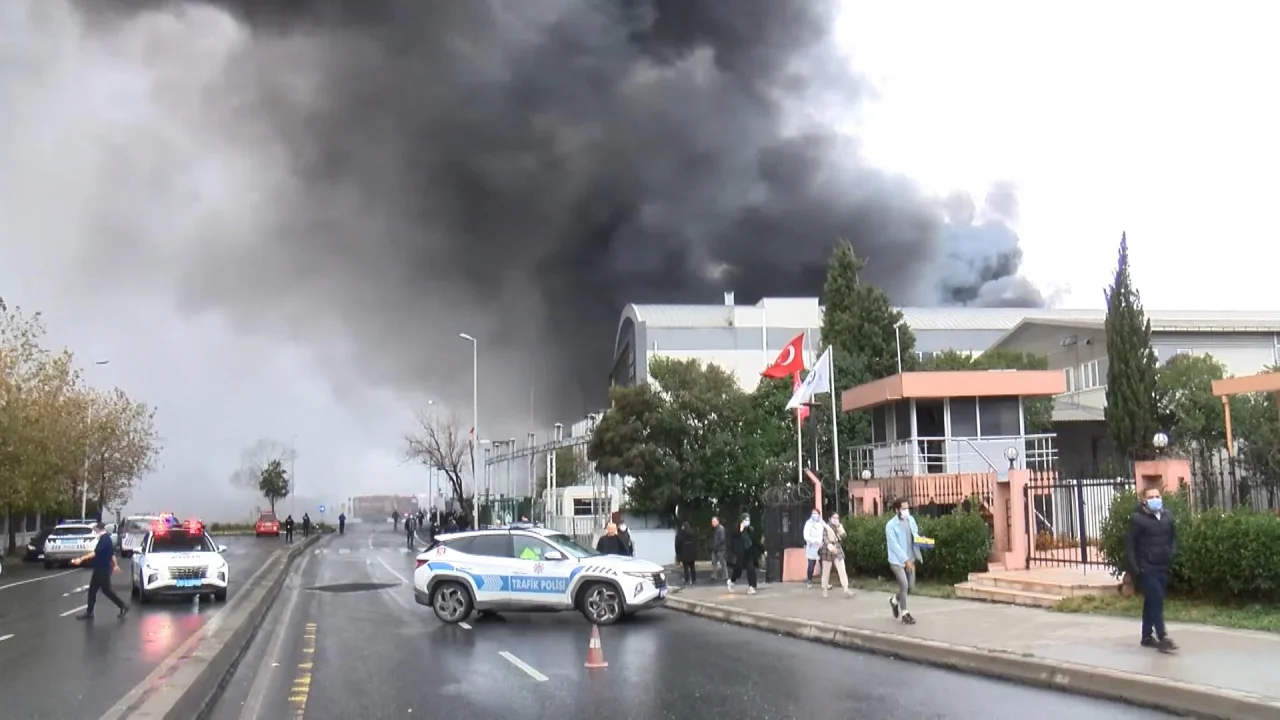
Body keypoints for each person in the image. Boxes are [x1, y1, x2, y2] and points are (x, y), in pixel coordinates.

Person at [1125, 487, 1178, 652]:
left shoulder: (1167, 516)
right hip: (1146, 567)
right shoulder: (1138, 519)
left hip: (1162, 565)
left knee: (1151, 601)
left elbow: (1173, 537)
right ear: (1144, 501)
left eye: (1157, 496)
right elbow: (1130, 544)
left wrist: (1171, 552)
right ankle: (1162, 637)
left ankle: (1146, 636)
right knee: (1157, 599)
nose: (1155, 499)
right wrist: (1136, 568)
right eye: (1151, 497)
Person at [70, 522, 128, 620]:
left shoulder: (104, 539)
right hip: (101, 568)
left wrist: (81, 559)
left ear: (98, 529)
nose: (95, 532)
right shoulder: (107, 538)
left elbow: (95, 553)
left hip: (102, 569)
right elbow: (111, 553)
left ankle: (123, 606)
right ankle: (89, 612)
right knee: (93, 590)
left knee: (107, 591)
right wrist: (115, 565)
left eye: (95, 530)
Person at [886, 498, 921, 624]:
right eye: (903, 508)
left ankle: (894, 601)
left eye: (907, 508)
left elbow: (915, 535)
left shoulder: (911, 520)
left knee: (910, 587)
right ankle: (905, 614)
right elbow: (894, 545)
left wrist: (923, 541)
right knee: (904, 585)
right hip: (897, 561)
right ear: (896, 510)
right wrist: (905, 560)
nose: (906, 510)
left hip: (910, 558)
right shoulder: (890, 525)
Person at [821, 512, 853, 598]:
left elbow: (844, 536)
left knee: (842, 569)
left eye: (837, 518)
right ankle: (824, 589)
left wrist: (839, 527)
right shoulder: (826, 527)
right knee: (826, 571)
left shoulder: (839, 526)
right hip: (827, 550)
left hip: (837, 548)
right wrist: (831, 547)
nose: (835, 520)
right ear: (829, 518)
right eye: (833, 518)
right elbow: (825, 539)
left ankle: (846, 588)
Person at [728, 514, 758, 594]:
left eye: (748, 520)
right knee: (738, 570)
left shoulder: (750, 529)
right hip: (739, 554)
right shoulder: (736, 528)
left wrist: (763, 550)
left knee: (751, 569)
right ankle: (732, 581)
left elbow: (754, 541)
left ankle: (752, 586)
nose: (747, 522)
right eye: (745, 520)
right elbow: (733, 536)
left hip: (748, 553)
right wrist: (740, 530)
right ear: (741, 520)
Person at [803, 509, 825, 589]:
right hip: (812, 547)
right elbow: (806, 536)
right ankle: (809, 581)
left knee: (824, 566)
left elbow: (826, 532)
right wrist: (814, 541)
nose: (814, 515)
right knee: (811, 566)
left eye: (816, 513)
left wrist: (823, 542)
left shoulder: (822, 523)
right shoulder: (808, 523)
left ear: (819, 514)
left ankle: (825, 582)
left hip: (821, 547)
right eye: (813, 513)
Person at [675, 522, 697, 586]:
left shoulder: (680, 534)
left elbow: (677, 545)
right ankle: (694, 580)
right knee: (692, 567)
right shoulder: (693, 534)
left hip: (684, 553)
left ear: (683, 527)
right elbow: (696, 543)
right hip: (692, 553)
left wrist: (678, 554)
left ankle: (687, 580)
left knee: (685, 568)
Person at [709, 516, 726, 581]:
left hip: (720, 548)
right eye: (712, 521)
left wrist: (716, 545)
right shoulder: (713, 529)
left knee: (722, 562)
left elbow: (722, 538)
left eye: (714, 521)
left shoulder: (721, 528)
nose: (713, 523)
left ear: (718, 521)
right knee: (714, 562)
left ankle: (725, 576)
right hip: (715, 548)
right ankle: (714, 575)